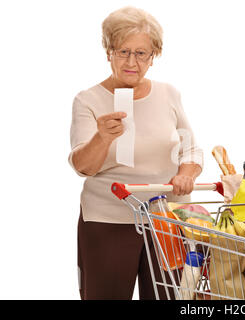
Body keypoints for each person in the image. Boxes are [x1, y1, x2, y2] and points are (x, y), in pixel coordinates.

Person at [68, 6, 203, 300]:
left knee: (170, 297)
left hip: (166, 219)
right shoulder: (88, 100)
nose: (132, 61)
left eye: (141, 53)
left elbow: (191, 150)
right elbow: (82, 165)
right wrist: (102, 138)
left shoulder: (169, 94)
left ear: (153, 55)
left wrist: (185, 173)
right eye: (123, 51)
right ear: (108, 52)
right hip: (109, 220)